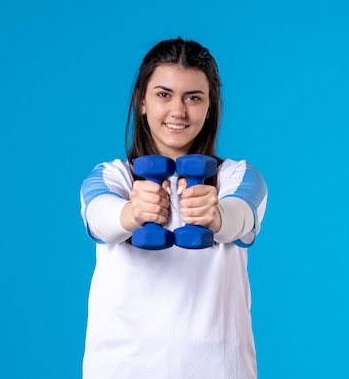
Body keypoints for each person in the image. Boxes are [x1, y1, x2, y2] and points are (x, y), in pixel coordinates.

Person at [79, 37, 268, 379]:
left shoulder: (238, 178)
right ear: (141, 101)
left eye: (193, 98)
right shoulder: (112, 178)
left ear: (210, 106)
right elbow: (99, 217)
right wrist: (131, 214)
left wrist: (218, 216)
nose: (178, 111)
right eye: (163, 94)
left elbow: (242, 215)